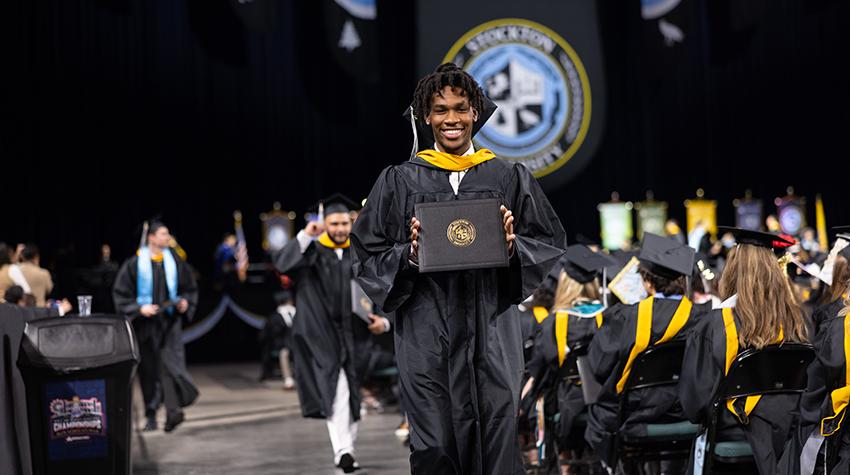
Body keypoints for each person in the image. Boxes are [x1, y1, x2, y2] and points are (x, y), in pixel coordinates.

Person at [350, 63, 566, 475]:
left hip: (491, 333)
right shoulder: (399, 180)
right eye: (440, 109)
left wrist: (511, 246)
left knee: (498, 442)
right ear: (425, 116)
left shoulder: (508, 176)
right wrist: (409, 255)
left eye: (461, 108)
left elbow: (549, 241)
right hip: (425, 334)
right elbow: (367, 252)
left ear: (475, 113)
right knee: (434, 446)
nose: (452, 119)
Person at [274, 195, 390, 473]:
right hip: (321, 333)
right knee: (336, 387)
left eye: (344, 223)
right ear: (323, 223)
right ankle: (343, 450)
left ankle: (347, 447)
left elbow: (382, 288)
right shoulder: (312, 253)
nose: (340, 229)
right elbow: (282, 264)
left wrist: (383, 321)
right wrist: (305, 235)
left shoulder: (360, 252)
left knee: (351, 392)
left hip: (355, 332)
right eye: (334, 223)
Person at [678, 227, 808, 474]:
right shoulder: (800, 322)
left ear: (732, 269)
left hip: (734, 430)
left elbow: (695, 404)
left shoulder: (716, 325)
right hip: (792, 429)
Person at [585, 232, 708, 468]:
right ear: (681, 281)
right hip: (685, 412)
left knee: (599, 413)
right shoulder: (703, 318)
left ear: (647, 282)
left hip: (634, 414)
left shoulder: (626, 316)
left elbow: (600, 367)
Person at [524, 245, 613, 474]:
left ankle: (562, 466)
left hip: (567, 408)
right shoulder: (610, 318)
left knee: (538, 395)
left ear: (565, 284)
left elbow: (541, 368)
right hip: (605, 406)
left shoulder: (555, 323)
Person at [112, 221, 199, 432]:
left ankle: (172, 411)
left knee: (170, 367)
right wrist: (138, 309)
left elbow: (189, 287)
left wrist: (185, 301)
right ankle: (151, 414)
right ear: (151, 237)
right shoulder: (135, 264)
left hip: (169, 323)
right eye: (163, 233)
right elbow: (121, 293)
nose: (167, 237)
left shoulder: (175, 262)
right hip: (146, 325)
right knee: (149, 370)